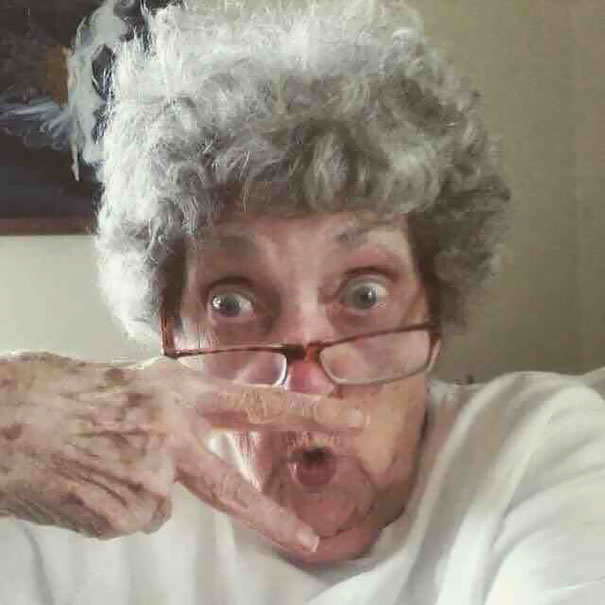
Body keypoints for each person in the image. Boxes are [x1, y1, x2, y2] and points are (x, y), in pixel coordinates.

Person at [1, 1, 604, 603]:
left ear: (436, 310)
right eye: (231, 305)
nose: (306, 387)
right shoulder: (74, 498)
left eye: (364, 295)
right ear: (170, 330)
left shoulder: (534, 450)